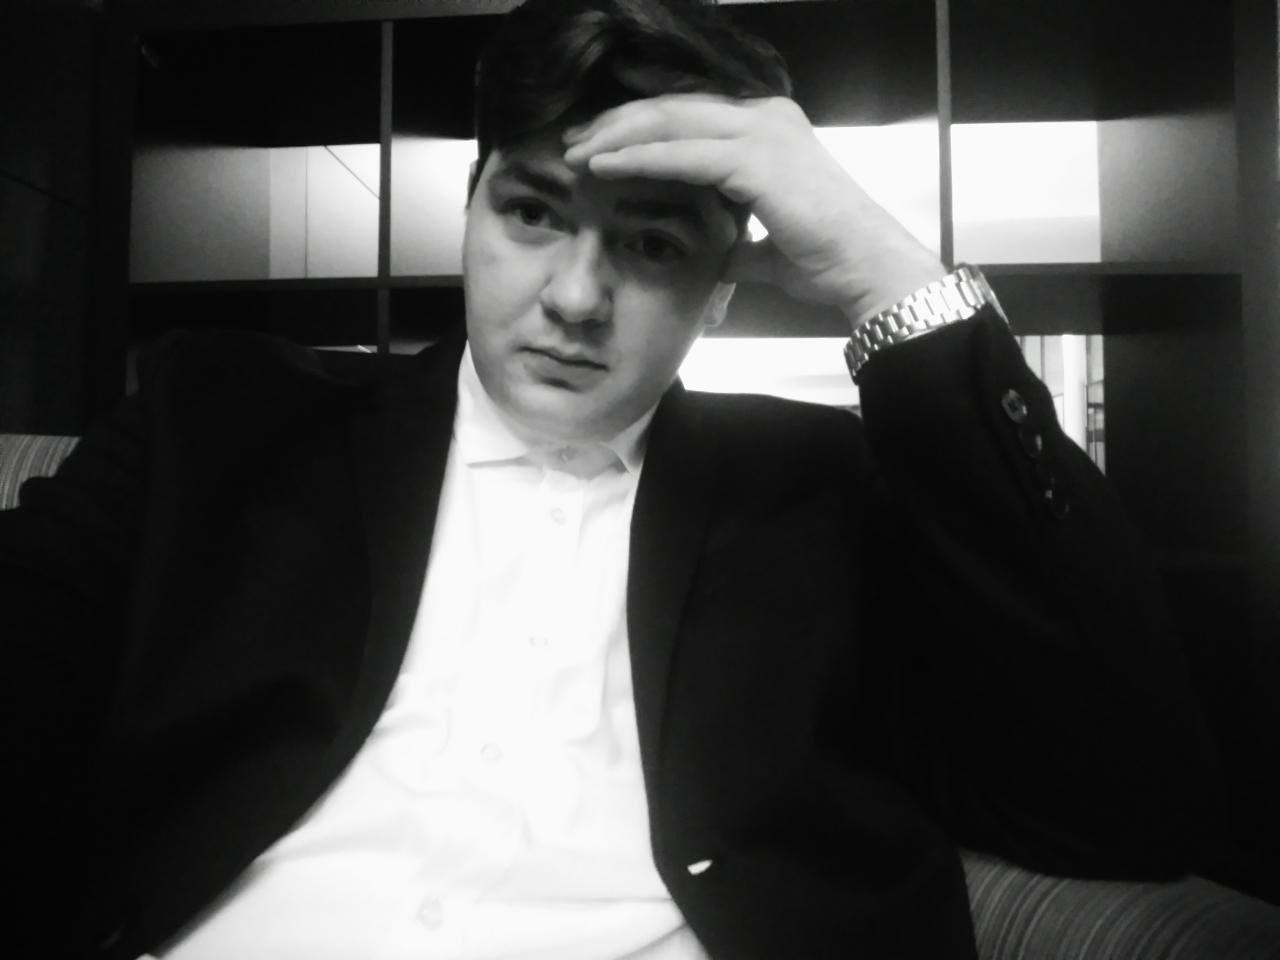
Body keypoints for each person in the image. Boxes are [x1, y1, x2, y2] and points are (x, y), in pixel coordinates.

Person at [0, 0, 1226, 957]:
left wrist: (885, 274)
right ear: (469, 213)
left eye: (648, 243)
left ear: (720, 292)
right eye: (533, 214)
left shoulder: (820, 495)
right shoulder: (218, 419)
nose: (577, 298)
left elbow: (1118, 799)